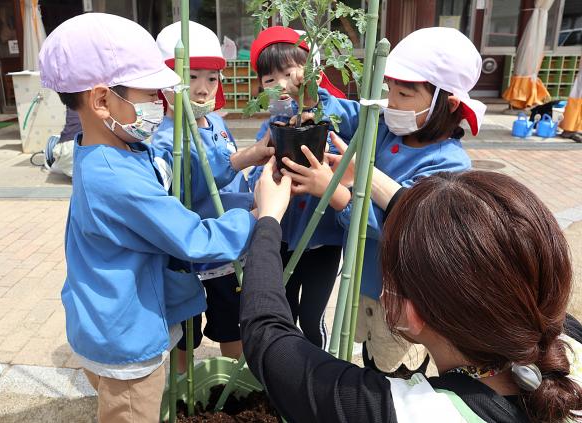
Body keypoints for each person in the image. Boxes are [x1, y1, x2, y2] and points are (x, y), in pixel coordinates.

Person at [38, 13, 278, 423]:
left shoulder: (112, 149)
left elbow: (176, 178)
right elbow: (193, 238)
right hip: (126, 338)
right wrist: (260, 216)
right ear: (101, 101)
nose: (159, 103)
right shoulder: (116, 178)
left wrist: (237, 164)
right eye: (149, 94)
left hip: (109, 320)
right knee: (132, 411)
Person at [241, 167, 582, 422]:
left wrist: (268, 219)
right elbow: (480, 246)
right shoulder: (561, 337)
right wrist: (365, 170)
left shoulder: (406, 412)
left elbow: (269, 339)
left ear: (412, 312)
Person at [281, 27, 486, 376]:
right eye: (390, 90)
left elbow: (401, 224)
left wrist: (338, 191)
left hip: (405, 298)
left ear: (448, 103)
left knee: (397, 369)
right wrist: (316, 97)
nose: (392, 102)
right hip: (366, 282)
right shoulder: (390, 127)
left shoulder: (449, 164)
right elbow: (350, 114)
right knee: (370, 354)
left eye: (404, 94)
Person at [153, 20, 274, 371]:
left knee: (230, 324)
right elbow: (186, 187)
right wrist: (244, 158)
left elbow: (232, 181)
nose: (202, 89)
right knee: (184, 334)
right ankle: (181, 394)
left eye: (211, 78)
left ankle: (234, 387)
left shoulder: (218, 124)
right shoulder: (164, 139)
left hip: (227, 247)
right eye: (191, 77)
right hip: (187, 253)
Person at [247, 26, 353, 349]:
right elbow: (256, 180)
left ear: (312, 72)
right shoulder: (271, 129)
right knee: (287, 311)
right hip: (285, 237)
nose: (280, 86)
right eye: (269, 80)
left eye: (289, 73)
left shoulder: (329, 115)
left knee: (311, 317)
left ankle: (319, 364)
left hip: (324, 241)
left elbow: (357, 119)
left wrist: (311, 101)